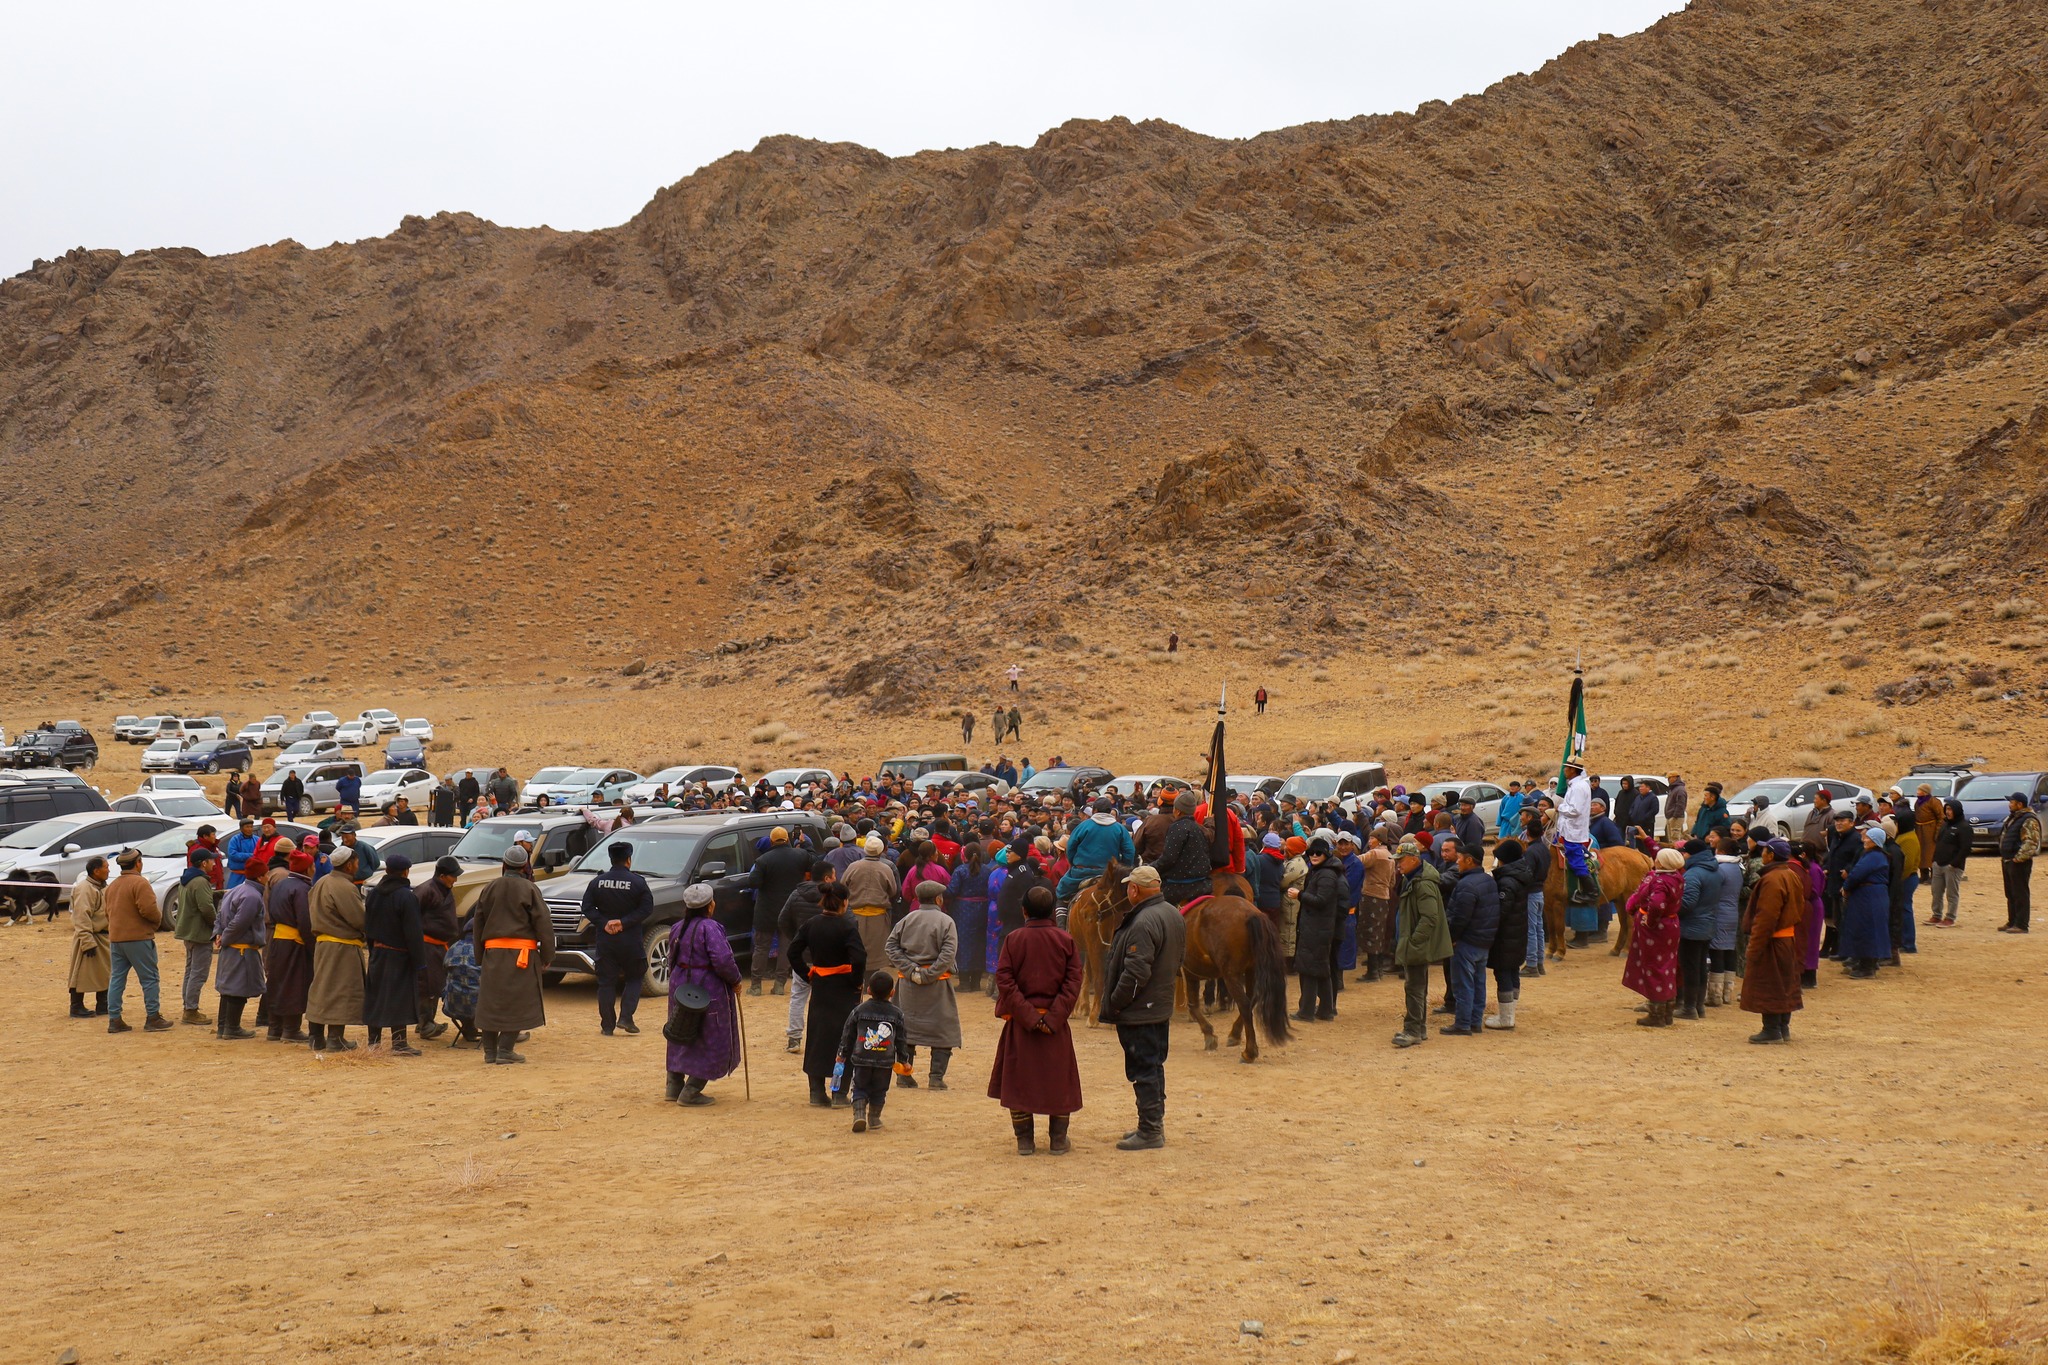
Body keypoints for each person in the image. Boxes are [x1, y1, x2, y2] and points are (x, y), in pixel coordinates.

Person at [988, 885, 1083, 1156]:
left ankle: (1025, 1141)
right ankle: (1057, 1140)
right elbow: (1074, 981)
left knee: (1020, 1080)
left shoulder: (1014, 939)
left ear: (1024, 910)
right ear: (1054, 911)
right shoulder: (1065, 940)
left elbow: (1004, 980)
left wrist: (1028, 1016)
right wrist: (1052, 1018)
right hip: (1055, 1026)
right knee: (1058, 1080)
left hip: (1022, 1025)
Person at [1097, 865, 1185, 1149]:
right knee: (1153, 1066)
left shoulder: (1143, 921)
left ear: (1134, 889)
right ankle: (1151, 1124)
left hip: (1140, 1009)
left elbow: (1135, 973)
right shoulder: (1172, 912)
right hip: (1158, 1004)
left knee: (1144, 1068)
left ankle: (1150, 1130)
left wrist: (1115, 1003)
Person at [472, 846, 555, 1064]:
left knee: (491, 1001)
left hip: (492, 953)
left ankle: (490, 1052)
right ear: (525, 866)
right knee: (519, 1001)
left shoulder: (489, 888)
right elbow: (543, 923)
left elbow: (477, 923)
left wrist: (479, 956)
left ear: (504, 864)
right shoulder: (529, 888)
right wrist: (547, 955)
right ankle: (505, 1051)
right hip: (522, 955)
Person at [664, 883, 743, 1106]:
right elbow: (723, 961)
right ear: (710, 906)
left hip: (680, 986)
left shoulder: (677, 927)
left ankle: (674, 1086)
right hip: (707, 988)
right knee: (711, 1036)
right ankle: (691, 1091)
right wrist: (736, 980)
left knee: (680, 1029)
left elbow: (671, 959)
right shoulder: (711, 928)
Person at [789, 881, 867, 1107]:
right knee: (845, 1039)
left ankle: (816, 1093)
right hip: (844, 990)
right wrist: (855, 981)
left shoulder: (811, 924)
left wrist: (808, 974)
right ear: (844, 902)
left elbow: (793, 951)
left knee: (817, 1037)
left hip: (821, 988)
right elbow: (859, 958)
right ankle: (840, 1094)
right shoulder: (847, 926)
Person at [886, 879, 962, 1089]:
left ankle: (903, 1076)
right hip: (937, 985)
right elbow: (948, 954)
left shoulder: (906, 919)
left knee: (906, 1030)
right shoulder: (946, 921)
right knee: (943, 1030)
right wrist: (929, 974)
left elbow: (891, 947)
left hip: (909, 985)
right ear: (939, 899)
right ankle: (936, 1078)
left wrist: (911, 970)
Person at [583, 840, 654, 1034]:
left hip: (606, 940)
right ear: (628, 860)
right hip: (630, 939)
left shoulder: (597, 882)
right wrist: (624, 922)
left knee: (606, 982)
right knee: (634, 977)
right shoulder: (638, 882)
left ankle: (607, 1026)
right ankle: (626, 1018)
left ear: (611, 859)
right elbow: (647, 908)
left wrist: (604, 922)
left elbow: (587, 908)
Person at [1740, 840, 1806, 1043]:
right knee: (1784, 983)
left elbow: (1766, 916)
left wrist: (1755, 947)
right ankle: (1782, 1027)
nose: (1763, 853)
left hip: (1772, 940)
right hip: (1786, 939)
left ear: (1771, 855)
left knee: (1770, 984)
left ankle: (1771, 1030)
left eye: (1765, 850)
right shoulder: (1790, 874)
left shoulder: (1773, 879)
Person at [307, 844, 367, 1052]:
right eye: (357, 862)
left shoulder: (322, 881)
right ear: (349, 865)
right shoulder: (344, 887)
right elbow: (358, 919)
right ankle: (335, 1039)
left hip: (323, 944)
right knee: (339, 991)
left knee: (321, 989)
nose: (358, 866)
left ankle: (315, 1037)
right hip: (341, 946)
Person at [361, 855, 424, 1055]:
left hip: (378, 951)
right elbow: (413, 932)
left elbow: (368, 924)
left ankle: (373, 1043)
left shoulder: (374, 894)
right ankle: (399, 1043)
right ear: (405, 872)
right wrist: (419, 961)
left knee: (376, 996)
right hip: (400, 954)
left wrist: (373, 949)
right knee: (400, 998)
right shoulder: (406, 897)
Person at [1391, 837, 1450, 1048]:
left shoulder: (1422, 883)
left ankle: (1412, 1030)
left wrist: (1415, 941)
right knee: (1418, 986)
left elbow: (1429, 917)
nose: (1398, 864)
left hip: (1417, 942)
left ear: (1414, 859)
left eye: (1401, 860)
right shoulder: (1413, 877)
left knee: (1414, 987)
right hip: (1414, 940)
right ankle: (1419, 1028)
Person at [105, 848, 171, 1034]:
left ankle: (114, 1019)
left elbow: (107, 912)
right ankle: (153, 1017)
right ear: (138, 862)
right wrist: (156, 923)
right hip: (138, 938)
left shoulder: (113, 885)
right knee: (150, 978)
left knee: (117, 979)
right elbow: (149, 910)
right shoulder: (140, 883)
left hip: (117, 938)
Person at [838, 971, 911, 1133]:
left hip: (861, 1058)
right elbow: (901, 1040)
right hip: (885, 1062)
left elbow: (848, 1033)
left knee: (859, 1087)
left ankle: (859, 1114)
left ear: (868, 990)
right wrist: (904, 1060)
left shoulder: (859, 1010)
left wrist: (842, 1054)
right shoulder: (897, 1013)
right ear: (892, 993)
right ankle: (875, 1117)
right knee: (880, 1089)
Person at [745, 826, 812, 995]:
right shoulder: (801, 855)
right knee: (786, 947)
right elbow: (815, 862)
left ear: (772, 840)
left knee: (761, 947)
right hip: (790, 908)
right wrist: (804, 844)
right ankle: (780, 984)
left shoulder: (763, 860)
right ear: (788, 839)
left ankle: (755, 986)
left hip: (766, 909)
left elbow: (753, 883)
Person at [1622, 848, 1685, 1027]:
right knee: (1667, 967)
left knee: (1653, 967)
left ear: (1663, 863)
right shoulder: (1677, 877)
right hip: (1671, 926)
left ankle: (1656, 1014)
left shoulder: (1659, 880)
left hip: (1656, 929)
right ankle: (1667, 1012)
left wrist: (1649, 920)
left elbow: (1657, 905)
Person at [1442, 844, 1498, 1036]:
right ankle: (1475, 1021)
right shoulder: (1488, 880)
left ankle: (1463, 1023)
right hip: (1483, 941)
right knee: (1478, 983)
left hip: (1467, 942)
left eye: (1460, 858)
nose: (1457, 861)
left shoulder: (1466, 885)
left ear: (1469, 860)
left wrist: (1452, 939)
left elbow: (1460, 917)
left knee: (1463, 984)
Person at [261, 850, 315, 1042]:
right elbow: (305, 921)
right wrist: (312, 946)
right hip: (295, 942)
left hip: (277, 939)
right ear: (308, 868)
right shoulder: (302, 889)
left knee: (277, 983)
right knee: (295, 985)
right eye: (312, 865)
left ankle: (274, 1029)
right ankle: (291, 1029)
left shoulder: (281, 884)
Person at [1291, 839, 1344, 1022]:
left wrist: (1300, 895)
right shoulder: (1321, 871)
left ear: (1326, 854)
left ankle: (1306, 1011)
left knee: (1310, 969)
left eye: (1318, 853)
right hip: (1316, 926)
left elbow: (1321, 900)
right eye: (1311, 853)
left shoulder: (1326, 875)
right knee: (1320, 968)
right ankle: (1325, 1010)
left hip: (1318, 927)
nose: (1314, 856)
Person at [1485, 838, 1531, 1031]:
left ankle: (1506, 1018)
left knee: (1503, 972)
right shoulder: (1520, 876)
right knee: (1512, 971)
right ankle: (1510, 1013)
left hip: (1505, 935)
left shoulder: (1506, 882)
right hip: (1517, 931)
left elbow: (1502, 911)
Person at [1058, 797, 1137, 904]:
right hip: (1109, 875)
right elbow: (1129, 852)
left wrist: (1074, 863)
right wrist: (1122, 870)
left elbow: (1070, 848)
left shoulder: (1083, 825)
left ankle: (1062, 916)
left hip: (1081, 873)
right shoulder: (1120, 829)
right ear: (1110, 811)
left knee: (1061, 892)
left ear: (1094, 810)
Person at [415, 855, 460, 1039]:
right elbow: (412, 917)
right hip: (426, 945)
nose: (456, 879)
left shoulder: (444, 888)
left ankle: (426, 1022)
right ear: (442, 875)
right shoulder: (425, 890)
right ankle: (425, 1024)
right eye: (453, 876)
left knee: (435, 985)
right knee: (427, 985)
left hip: (440, 946)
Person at [173, 849, 219, 1026]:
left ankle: (188, 1006)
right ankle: (191, 1010)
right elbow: (206, 907)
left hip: (189, 932)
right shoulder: (200, 882)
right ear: (203, 863)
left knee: (190, 971)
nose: (214, 863)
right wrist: (216, 926)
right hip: (199, 933)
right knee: (198, 973)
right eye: (211, 861)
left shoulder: (187, 879)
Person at [1839, 826, 1893, 977]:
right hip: (1872, 894)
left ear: (1875, 841)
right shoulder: (1874, 855)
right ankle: (1867, 963)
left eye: (1868, 837)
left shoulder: (1873, 856)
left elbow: (1857, 873)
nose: (1864, 839)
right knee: (1870, 928)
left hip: (1868, 896)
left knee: (1866, 929)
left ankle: (1866, 967)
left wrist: (1846, 886)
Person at [842, 835, 899, 977]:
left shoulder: (853, 867)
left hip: (854, 916)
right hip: (878, 917)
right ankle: (870, 980)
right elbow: (893, 890)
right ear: (881, 851)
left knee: (855, 948)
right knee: (874, 952)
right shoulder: (886, 869)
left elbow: (842, 886)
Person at [1676, 839, 1718, 1019]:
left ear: (1691, 854)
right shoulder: (1714, 870)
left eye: (1684, 853)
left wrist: (1671, 908)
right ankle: (1698, 1006)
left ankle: (1689, 1007)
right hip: (1707, 924)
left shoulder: (1693, 874)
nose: (1683, 856)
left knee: (1690, 967)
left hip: (1692, 926)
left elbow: (1687, 904)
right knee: (1700, 967)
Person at [66, 856, 111, 1019]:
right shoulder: (85, 888)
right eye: (106, 867)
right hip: (89, 936)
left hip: (104, 937)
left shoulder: (102, 887)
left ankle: (103, 1005)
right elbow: (81, 916)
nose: (109, 870)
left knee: (106, 972)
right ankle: (76, 1006)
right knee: (81, 972)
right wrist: (87, 941)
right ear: (96, 871)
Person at [1556, 759, 1599, 907]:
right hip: (1568, 830)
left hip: (1573, 832)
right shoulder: (1576, 785)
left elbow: (1575, 810)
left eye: (1566, 768)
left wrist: (1559, 808)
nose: (1564, 771)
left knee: (1575, 861)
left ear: (1572, 770)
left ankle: (1591, 892)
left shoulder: (1578, 787)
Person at [1998, 793, 2040, 933]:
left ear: (2020, 804)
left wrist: (2018, 858)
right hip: (2008, 860)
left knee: (2020, 893)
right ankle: (2012, 921)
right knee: (2010, 893)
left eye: (2012, 802)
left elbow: (2031, 841)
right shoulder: (2014, 818)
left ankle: (2021, 924)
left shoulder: (2028, 819)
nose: (2009, 804)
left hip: (2018, 862)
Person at [1928, 798, 1969, 927]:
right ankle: (1936, 915)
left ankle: (1950, 917)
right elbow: (1939, 843)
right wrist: (1933, 860)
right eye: (1947, 809)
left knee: (1951, 893)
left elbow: (1965, 848)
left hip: (1952, 866)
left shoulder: (1964, 827)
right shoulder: (1945, 825)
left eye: (1950, 809)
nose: (1948, 812)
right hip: (1938, 864)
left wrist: (1955, 863)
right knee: (1936, 892)